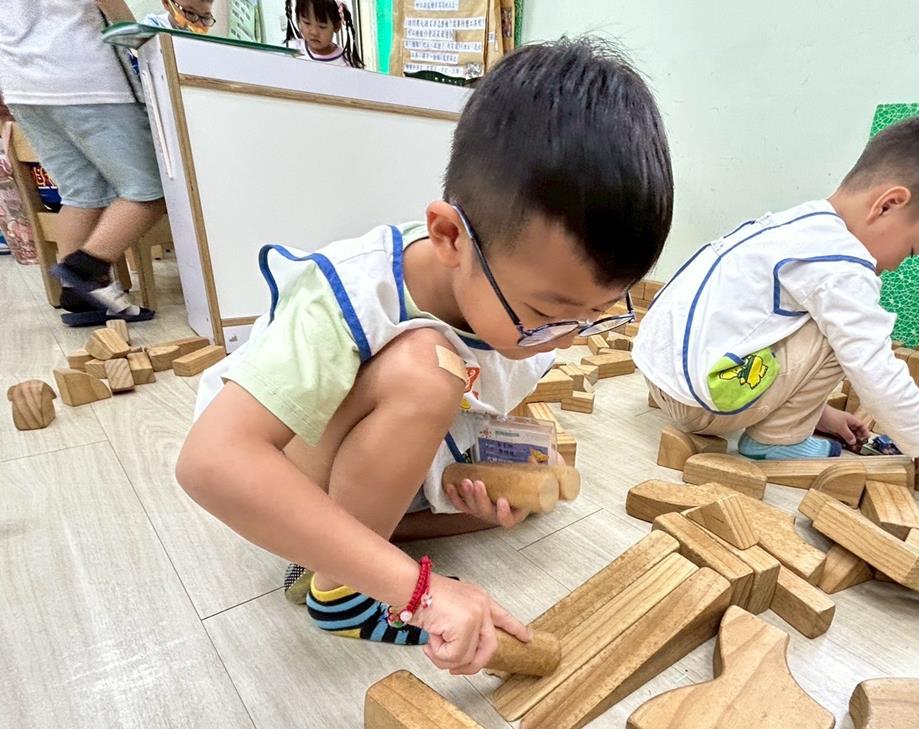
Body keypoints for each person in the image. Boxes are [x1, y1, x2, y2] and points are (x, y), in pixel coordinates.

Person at [176, 37, 672, 674]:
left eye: (596, 312)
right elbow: (211, 461)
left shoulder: (522, 306)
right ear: (449, 236)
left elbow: (490, 395)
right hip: (280, 464)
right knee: (428, 368)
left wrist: (497, 462)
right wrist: (422, 594)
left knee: (534, 487)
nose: (567, 338)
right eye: (550, 313)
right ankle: (343, 591)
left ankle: (354, 548)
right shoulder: (350, 293)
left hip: (375, 454)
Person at [635, 115, 919, 474]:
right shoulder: (843, 263)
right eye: (912, 250)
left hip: (661, 376)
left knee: (822, 317)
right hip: (702, 403)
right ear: (887, 204)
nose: (897, 265)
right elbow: (873, 366)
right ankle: (776, 440)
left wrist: (819, 413)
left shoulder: (798, 225)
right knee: (848, 335)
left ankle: (786, 421)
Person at [0, 0, 165, 325]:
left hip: (23, 85)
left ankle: (79, 298)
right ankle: (84, 271)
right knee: (151, 189)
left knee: (81, 192)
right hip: (85, 77)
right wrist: (143, 38)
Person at [286, 0, 363, 68]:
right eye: (307, 23)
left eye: (322, 27)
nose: (314, 32)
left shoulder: (347, 63)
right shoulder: (290, 50)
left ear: (336, 26)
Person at [142, 0, 217, 34]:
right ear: (167, 3)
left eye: (206, 17)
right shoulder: (151, 26)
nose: (199, 24)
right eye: (191, 13)